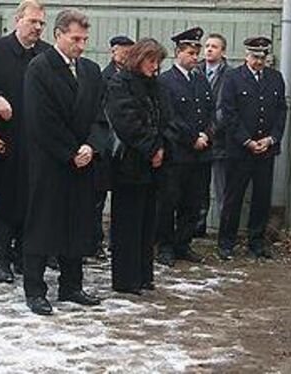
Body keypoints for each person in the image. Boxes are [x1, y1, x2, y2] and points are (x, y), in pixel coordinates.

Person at [22, 9, 108, 315]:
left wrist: (90, 146)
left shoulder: (91, 70)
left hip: (83, 161)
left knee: (78, 224)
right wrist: (71, 151)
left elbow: (100, 116)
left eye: (85, 39)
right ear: (58, 35)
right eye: (75, 39)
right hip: (51, 162)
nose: (81, 45)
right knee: (42, 225)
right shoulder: (40, 68)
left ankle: (72, 285)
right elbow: (40, 119)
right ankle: (35, 290)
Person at [0, 0, 50, 283]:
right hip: (5, 138)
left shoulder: (46, 54)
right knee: (4, 200)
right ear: (18, 20)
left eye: (42, 23)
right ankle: (0, 258)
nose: (38, 27)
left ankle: (21, 255)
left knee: (31, 201)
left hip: (38, 142)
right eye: (32, 22)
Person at [104, 38, 170, 295]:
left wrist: (161, 147)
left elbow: (165, 117)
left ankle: (143, 274)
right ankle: (125, 279)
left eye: (157, 62)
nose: (155, 67)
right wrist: (152, 147)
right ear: (138, 59)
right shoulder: (121, 83)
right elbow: (126, 121)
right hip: (129, 164)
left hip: (153, 165)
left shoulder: (156, 86)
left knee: (146, 222)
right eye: (151, 61)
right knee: (127, 223)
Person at [217, 36, 286, 260]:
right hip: (240, 150)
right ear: (247, 56)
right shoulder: (233, 77)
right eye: (255, 57)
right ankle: (226, 242)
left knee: (261, 198)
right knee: (233, 197)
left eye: (262, 57)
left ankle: (256, 242)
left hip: (265, 149)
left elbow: (280, 112)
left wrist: (272, 138)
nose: (259, 61)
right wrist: (246, 140)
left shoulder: (275, 78)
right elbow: (229, 113)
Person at [156, 27, 214, 267]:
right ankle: (166, 245)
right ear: (178, 53)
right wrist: (192, 138)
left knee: (194, 201)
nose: (195, 57)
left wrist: (207, 134)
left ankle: (183, 243)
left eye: (196, 52)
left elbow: (211, 110)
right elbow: (170, 117)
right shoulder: (166, 81)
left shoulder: (200, 79)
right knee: (170, 201)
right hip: (178, 152)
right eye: (190, 52)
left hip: (201, 153)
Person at [89, 35, 134, 261]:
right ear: (113, 52)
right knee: (97, 200)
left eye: (129, 53)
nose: (126, 57)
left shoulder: (133, 79)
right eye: (122, 53)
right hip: (105, 148)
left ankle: (117, 242)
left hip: (125, 150)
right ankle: (94, 242)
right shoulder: (102, 77)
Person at [195, 33, 231, 237]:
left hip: (219, 141)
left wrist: (210, 132)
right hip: (197, 140)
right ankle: (197, 228)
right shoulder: (196, 70)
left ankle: (223, 232)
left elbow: (225, 109)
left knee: (221, 189)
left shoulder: (230, 75)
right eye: (207, 46)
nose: (209, 49)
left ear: (222, 51)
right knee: (198, 189)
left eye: (214, 46)